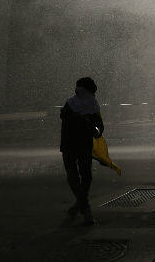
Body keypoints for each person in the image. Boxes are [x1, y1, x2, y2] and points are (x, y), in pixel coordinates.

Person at [60, 76, 104, 225]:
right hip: (75, 146)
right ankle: (85, 209)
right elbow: (68, 121)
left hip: (75, 146)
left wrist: (96, 129)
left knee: (80, 177)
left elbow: (99, 125)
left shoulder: (85, 104)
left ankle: (79, 206)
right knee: (80, 176)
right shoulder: (71, 105)